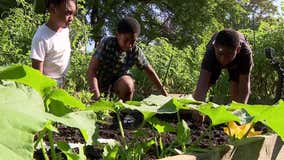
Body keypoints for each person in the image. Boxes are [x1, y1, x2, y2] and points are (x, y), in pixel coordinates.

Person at [87, 17, 168, 102]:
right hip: (100, 84)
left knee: (127, 84)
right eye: (126, 40)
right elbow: (92, 70)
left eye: (133, 41)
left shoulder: (135, 51)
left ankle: (124, 112)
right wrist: (96, 95)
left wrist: (164, 93)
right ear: (117, 35)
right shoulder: (107, 43)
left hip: (118, 85)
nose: (129, 45)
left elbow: (150, 71)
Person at [193, 29, 253, 104]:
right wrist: (197, 111)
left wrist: (238, 111)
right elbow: (201, 87)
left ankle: (232, 113)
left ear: (237, 50)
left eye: (228, 55)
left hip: (237, 61)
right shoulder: (210, 53)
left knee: (236, 86)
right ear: (215, 47)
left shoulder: (245, 54)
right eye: (220, 54)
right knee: (207, 84)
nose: (223, 59)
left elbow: (244, 88)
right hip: (214, 58)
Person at [30, 0, 77, 87]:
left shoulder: (65, 30)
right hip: (47, 86)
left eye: (74, 14)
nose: (71, 18)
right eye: (68, 13)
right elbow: (37, 75)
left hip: (62, 83)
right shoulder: (41, 37)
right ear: (53, 8)